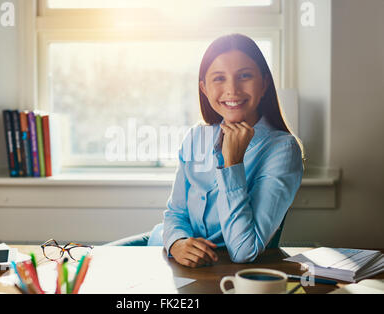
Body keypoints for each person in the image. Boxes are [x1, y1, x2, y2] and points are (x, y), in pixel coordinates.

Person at [105, 33, 304, 268]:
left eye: (245, 76)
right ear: (205, 88)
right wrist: (177, 243)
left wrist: (233, 164)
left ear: (264, 83)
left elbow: (244, 250)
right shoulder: (196, 136)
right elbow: (176, 212)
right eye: (219, 78)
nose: (232, 89)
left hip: (219, 271)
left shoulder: (282, 150)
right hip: (165, 248)